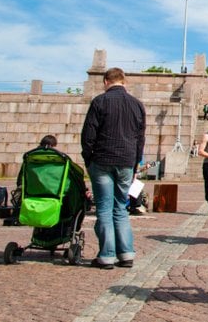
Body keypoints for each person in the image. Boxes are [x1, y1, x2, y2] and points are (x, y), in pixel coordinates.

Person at [81, 67, 146, 270]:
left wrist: (88, 160)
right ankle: (126, 254)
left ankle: (107, 256)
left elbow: (88, 135)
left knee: (104, 208)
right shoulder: (137, 105)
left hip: (102, 160)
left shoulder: (99, 101)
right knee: (120, 208)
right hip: (127, 161)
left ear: (105, 82)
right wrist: (136, 164)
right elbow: (140, 139)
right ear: (124, 82)